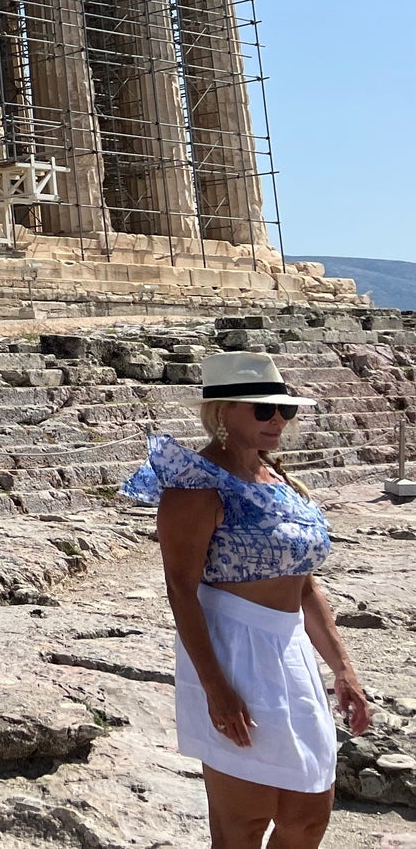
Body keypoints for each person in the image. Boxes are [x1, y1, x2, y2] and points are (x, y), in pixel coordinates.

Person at [121, 353, 371, 848]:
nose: (277, 419)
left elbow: (304, 583)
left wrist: (343, 668)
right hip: (233, 652)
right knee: (244, 823)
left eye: (285, 410)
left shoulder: (281, 483)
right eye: (262, 409)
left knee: (309, 813)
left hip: (291, 652)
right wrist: (216, 687)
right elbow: (180, 589)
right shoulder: (196, 488)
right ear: (222, 411)